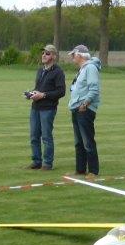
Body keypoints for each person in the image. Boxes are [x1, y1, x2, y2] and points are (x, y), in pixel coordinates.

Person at [26, 44, 66, 170]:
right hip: (35, 107)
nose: (44, 55)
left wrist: (43, 95)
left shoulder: (58, 72)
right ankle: (36, 161)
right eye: (43, 53)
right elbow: (38, 88)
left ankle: (47, 163)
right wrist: (32, 94)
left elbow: (61, 92)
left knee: (46, 136)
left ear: (54, 56)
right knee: (34, 136)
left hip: (48, 109)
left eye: (47, 53)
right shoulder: (40, 70)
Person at [67, 43, 102, 179]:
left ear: (80, 55)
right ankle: (80, 170)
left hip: (84, 109)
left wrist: (85, 103)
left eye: (73, 55)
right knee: (79, 142)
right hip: (76, 108)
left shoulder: (90, 68)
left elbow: (94, 89)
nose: (72, 57)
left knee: (87, 141)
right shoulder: (82, 69)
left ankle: (93, 171)